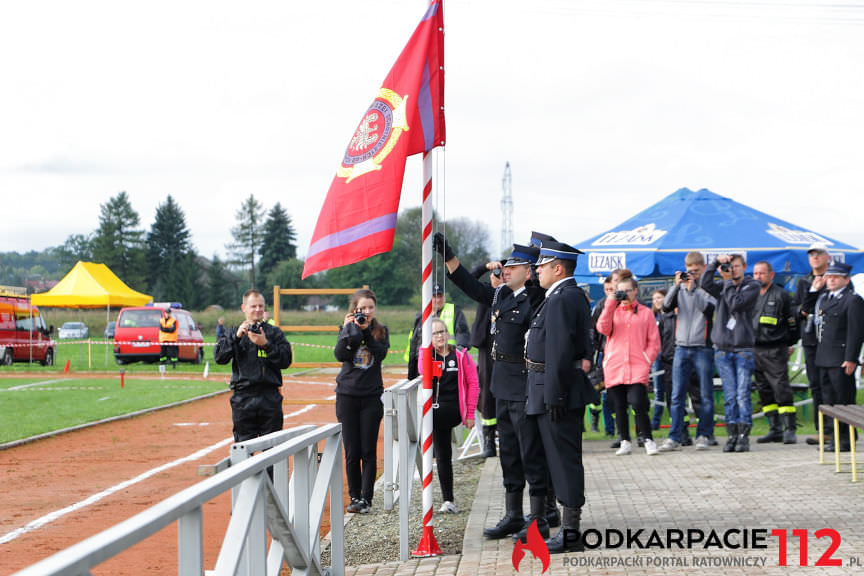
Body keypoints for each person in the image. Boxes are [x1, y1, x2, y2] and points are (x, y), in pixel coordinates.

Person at [436, 234, 557, 540]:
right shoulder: (502, 296)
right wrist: (449, 257)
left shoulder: (535, 299)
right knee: (510, 454)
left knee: (531, 453)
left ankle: (539, 516)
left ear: (529, 271)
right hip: (501, 383)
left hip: (525, 383)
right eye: (506, 265)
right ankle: (514, 514)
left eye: (513, 265)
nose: (505, 269)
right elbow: (470, 286)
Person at [525, 239, 593, 553]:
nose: (536, 270)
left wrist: (555, 395)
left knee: (565, 463)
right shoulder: (558, 296)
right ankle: (567, 530)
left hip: (556, 393)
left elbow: (560, 351)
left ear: (557, 268)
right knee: (556, 461)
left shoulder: (564, 298)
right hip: (547, 389)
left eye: (541, 265)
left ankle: (570, 534)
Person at [334, 288, 390, 514]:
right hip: (347, 395)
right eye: (362, 309)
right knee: (351, 450)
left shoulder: (380, 330)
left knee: (368, 449)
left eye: (370, 308)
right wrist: (349, 329)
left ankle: (366, 498)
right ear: (354, 309)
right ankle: (354, 496)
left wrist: (366, 331)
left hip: (371, 396)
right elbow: (341, 355)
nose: (366, 312)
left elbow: (380, 354)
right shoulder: (347, 328)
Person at [214, 289, 293, 442]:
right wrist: (236, 337)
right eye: (253, 306)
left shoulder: (274, 333)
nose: (258, 310)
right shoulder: (233, 333)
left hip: (269, 397)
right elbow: (219, 357)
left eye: (261, 306)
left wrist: (266, 345)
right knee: (244, 449)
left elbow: (286, 361)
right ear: (244, 308)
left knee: (273, 449)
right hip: (243, 398)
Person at [418, 318, 479, 513]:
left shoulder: (461, 356)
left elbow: (473, 385)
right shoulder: (428, 355)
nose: (440, 336)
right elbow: (422, 372)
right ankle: (448, 500)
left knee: (441, 451)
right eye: (435, 333)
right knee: (443, 455)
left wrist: (470, 414)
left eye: (442, 331)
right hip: (433, 412)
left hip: (453, 411)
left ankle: (447, 498)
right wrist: (424, 349)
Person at [700, 254, 760, 453]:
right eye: (729, 267)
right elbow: (705, 283)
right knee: (730, 396)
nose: (732, 270)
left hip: (743, 348)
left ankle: (743, 435)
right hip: (723, 349)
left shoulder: (752, 286)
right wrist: (715, 263)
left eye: (735, 267)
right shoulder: (724, 285)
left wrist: (726, 282)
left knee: (743, 394)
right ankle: (732, 435)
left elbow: (736, 304)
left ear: (744, 267)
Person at [597, 274, 661, 455]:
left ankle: (647, 438)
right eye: (621, 291)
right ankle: (624, 439)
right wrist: (610, 302)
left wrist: (646, 360)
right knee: (618, 405)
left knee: (638, 402)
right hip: (615, 365)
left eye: (627, 290)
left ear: (635, 291)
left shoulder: (646, 312)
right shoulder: (613, 311)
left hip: (637, 365)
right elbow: (602, 328)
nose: (624, 294)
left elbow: (654, 342)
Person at [660, 251, 717, 452]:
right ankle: (674, 436)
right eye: (688, 271)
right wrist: (677, 286)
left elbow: (709, 310)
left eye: (695, 271)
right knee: (676, 395)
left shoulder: (708, 287)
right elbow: (665, 307)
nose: (691, 274)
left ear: (702, 269)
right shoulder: (679, 289)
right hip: (681, 347)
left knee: (705, 394)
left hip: (702, 347)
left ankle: (704, 434)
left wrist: (694, 290)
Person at [805, 262, 864, 452]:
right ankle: (833, 436)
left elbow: (856, 332)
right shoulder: (824, 298)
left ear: (846, 280)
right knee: (828, 400)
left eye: (835, 277)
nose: (830, 279)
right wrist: (814, 289)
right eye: (828, 276)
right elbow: (806, 310)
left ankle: (846, 439)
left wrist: (852, 358)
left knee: (843, 400)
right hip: (823, 356)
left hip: (841, 357)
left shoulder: (852, 300)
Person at [752, 261, 800, 444]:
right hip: (755, 349)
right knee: (763, 390)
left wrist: (790, 343)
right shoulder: (751, 294)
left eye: (761, 273)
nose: (758, 277)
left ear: (771, 275)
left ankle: (790, 429)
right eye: (755, 273)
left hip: (775, 349)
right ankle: (774, 428)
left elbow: (793, 324)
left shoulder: (781, 295)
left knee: (781, 388)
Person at [793, 242, 831, 444]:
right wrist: (812, 293)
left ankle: (840, 428)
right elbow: (798, 311)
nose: (815, 257)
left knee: (832, 385)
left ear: (827, 257)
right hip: (810, 340)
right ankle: (822, 430)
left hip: (831, 341)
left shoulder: (835, 279)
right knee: (816, 385)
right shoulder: (804, 282)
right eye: (812, 255)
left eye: (819, 254)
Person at [468, 261, 506, 458]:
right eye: (497, 273)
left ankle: (507, 433)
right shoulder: (484, 291)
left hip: (508, 348)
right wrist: (484, 267)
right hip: (486, 346)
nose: (498, 277)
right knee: (487, 392)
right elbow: (468, 279)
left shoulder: (511, 293)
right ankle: (489, 438)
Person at [406, 282, 470, 380]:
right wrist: (412, 372)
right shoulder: (421, 316)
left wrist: (457, 354)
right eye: (434, 296)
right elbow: (415, 342)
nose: (438, 300)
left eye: (440, 296)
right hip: (424, 362)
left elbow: (463, 334)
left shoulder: (454, 311)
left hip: (447, 362)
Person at [651, 289, 676, 431]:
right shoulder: (653, 316)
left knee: (670, 390)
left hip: (668, 356)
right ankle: (655, 421)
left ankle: (675, 421)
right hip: (656, 357)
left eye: (659, 298)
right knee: (657, 390)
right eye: (654, 299)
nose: (657, 301)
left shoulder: (671, 315)